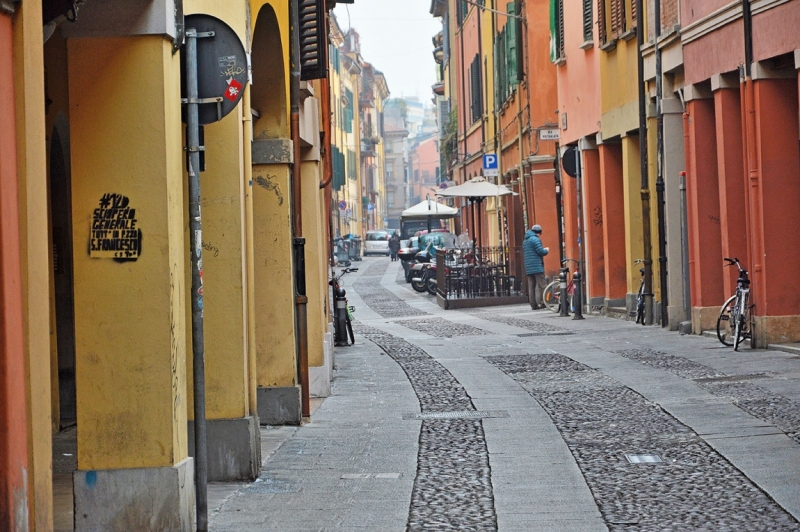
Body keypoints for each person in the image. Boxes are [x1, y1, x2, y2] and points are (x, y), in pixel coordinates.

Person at [523, 224, 549, 310]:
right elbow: (540, 251)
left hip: (528, 267)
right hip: (537, 266)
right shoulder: (535, 239)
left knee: (531, 286)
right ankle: (543, 302)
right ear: (538, 232)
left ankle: (533, 305)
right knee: (542, 285)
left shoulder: (525, 241)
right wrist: (546, 250)